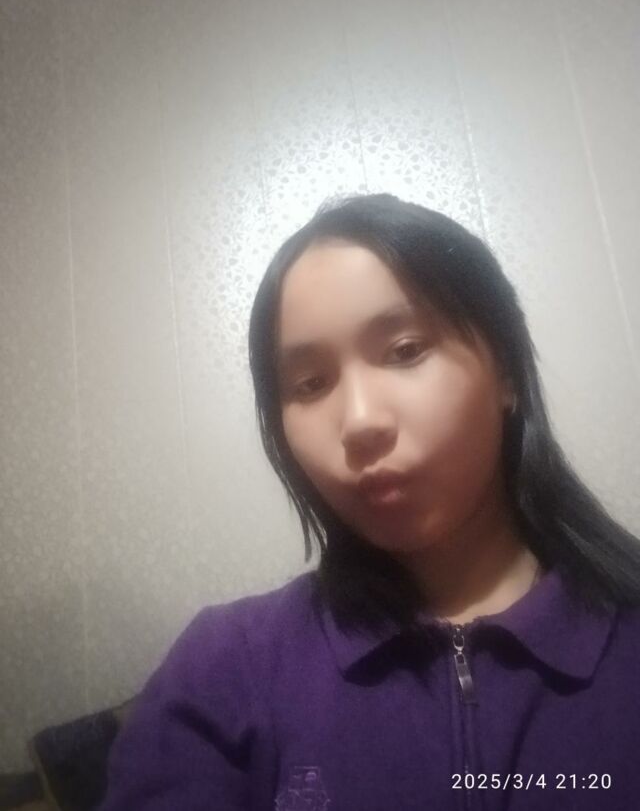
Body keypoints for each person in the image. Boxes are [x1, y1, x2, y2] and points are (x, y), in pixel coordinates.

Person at [97, 193, 640, 810]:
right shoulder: (225, 667)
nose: (358, 422)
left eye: (405, 350)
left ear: (506, 374)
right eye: (310, 384)